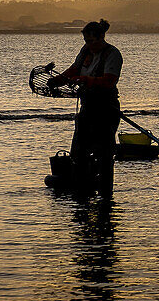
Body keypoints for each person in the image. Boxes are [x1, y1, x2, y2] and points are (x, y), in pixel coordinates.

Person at [47, 19, 122, 197]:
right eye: (86, 41)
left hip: (106, 107)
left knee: (104, 154)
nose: (89, 45)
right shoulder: (85, 51)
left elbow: (110, 80)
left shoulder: (113, 54)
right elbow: (74, 69)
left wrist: (86, 80)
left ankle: (105, 194)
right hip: (87, 106)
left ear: (101, 37)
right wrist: (58, 81)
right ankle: (82, 191)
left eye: (91, 41)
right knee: (79, 151)